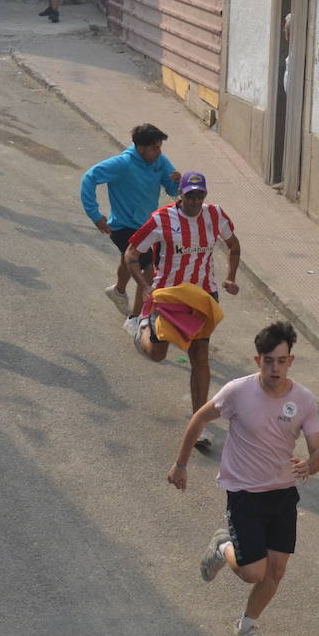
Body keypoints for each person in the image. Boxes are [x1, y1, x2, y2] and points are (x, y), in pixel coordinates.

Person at [167, 321, 319, 636]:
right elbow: (200, 417)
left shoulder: (304, 400)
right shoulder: (238, 392)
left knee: (276, 571)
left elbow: (318, 451)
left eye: (282, 361)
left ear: (290, 362)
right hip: (245, 495)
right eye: (269, 361)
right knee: (254, 572)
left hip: (282, 495)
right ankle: (222, 545)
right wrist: (180, 464)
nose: (275, 368)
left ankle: (246, 626)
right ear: (258, 361)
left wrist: (310, 465)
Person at [127, 172, 242, 446]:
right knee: (157, 355)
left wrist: (231, 278)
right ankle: (142, 328)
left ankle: (198, 422)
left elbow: (234, 246)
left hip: (202, 296)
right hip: (168, 297)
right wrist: (144, 287)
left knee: (200, 357)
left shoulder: (215, 215)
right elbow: (131, 254)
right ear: (180, 194)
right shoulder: (161, 219)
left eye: (199, 195)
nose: (195, 201)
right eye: (190, 195)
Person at [79, 124, 181, 326]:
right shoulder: (122, 164)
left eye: (160, 147)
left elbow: (171, 189)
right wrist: (94, 214)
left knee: (129, 260)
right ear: (140, 148)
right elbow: (89, 178)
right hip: (122, 226)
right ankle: (136, 318)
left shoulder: (160, 161)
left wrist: (176, 182)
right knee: (151, 267)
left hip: (147, 226)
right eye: (154, 148)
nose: (159, 152)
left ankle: (118, 291)